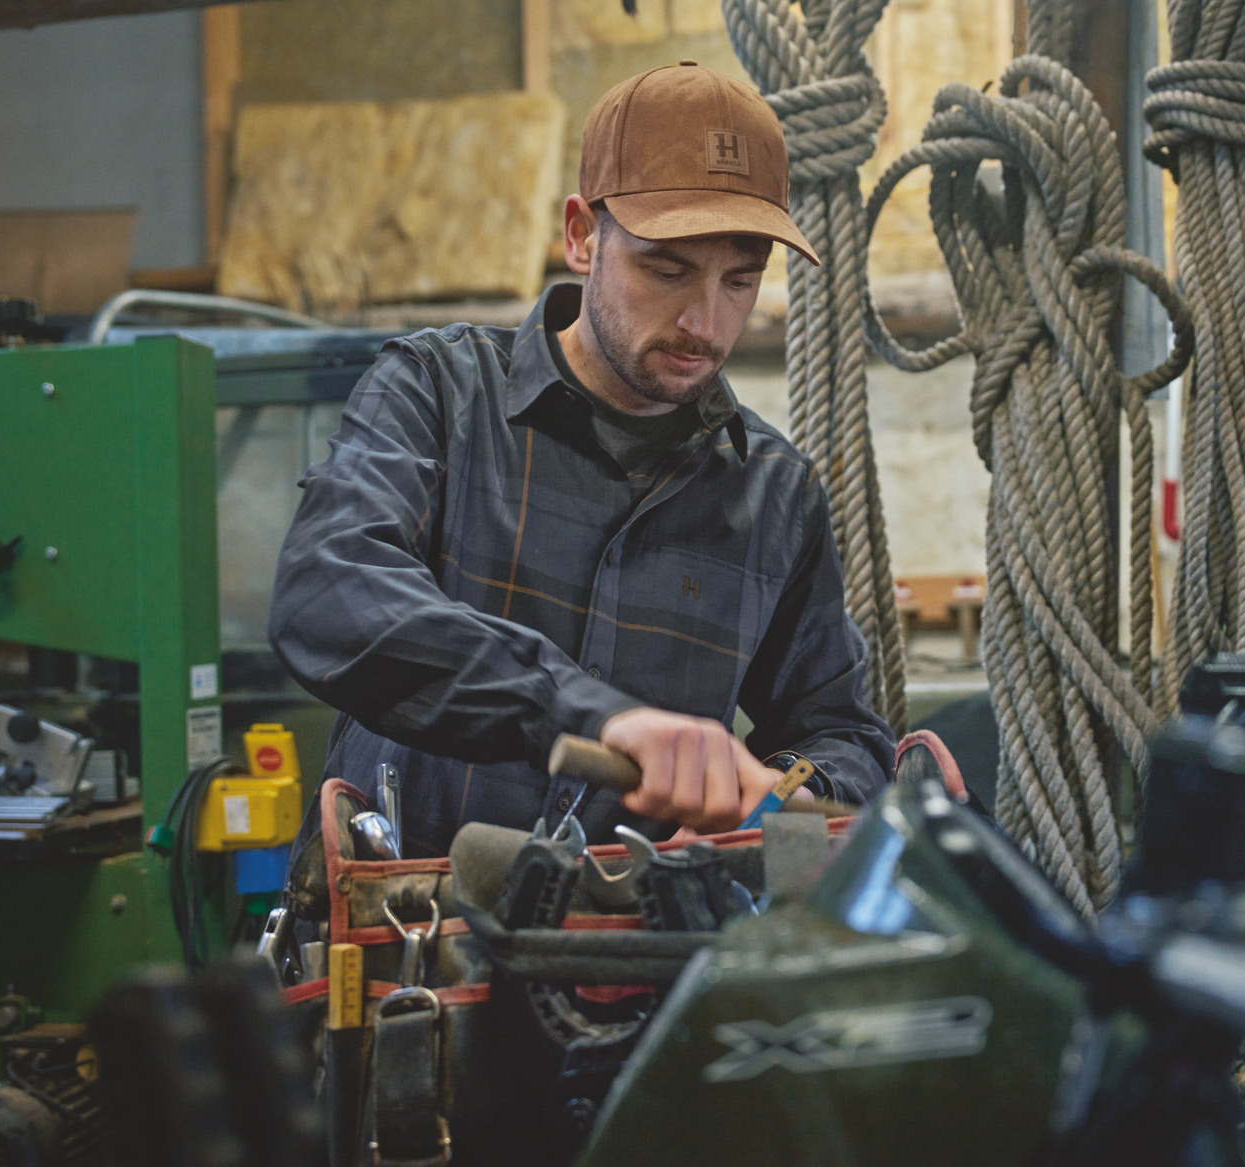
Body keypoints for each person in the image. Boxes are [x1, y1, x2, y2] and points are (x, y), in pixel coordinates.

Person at [269, 61, 895, 856]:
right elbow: (327, 590)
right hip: (415, 947)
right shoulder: (438, 392)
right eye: (666, 270)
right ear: (581, 236)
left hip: (640, 960)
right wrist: (595, 717)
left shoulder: (775, 492)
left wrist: (787, 792)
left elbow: (844, 733)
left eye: (741, 280)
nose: (705, 321)